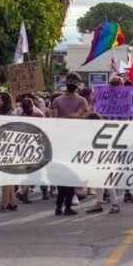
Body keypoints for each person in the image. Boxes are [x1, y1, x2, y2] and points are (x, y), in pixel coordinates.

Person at [50, 72, 88, 216]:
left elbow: (79, 115)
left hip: (75, 141)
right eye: (70, 80)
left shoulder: (82, 100)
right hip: (61, 141)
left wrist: (62, 118)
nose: (72, 83)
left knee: (72, 175)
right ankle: (60, 207)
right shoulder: (57, 100)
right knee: (62, 175)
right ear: (66, 82)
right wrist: (66, 118)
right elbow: (55, 118)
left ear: (78, 84)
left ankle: (66, 206)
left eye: (75, 81)